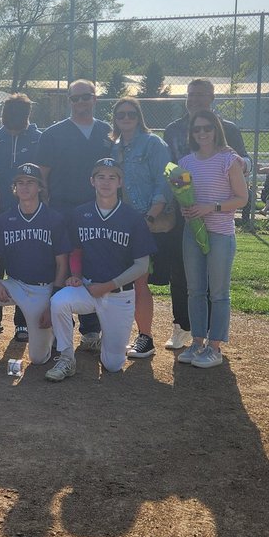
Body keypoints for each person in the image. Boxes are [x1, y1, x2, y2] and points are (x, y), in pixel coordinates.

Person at [46, 158, 156, 383]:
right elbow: (75, 250)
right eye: (100, 177)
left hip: (119, 294)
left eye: (112, 177)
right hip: (88, 287)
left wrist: (108, 285)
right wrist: (75, 275)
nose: (106, 182)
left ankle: (108, 340)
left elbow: (142, 266)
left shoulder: (133, 218)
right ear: (92, 181)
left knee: (113, 365)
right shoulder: (80, 213)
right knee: (59, 301)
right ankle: (66, 358)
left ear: (120, 182)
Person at [162, 79, 250, 353]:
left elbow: (243, 169)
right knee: (187, 280)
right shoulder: (177, 136)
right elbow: (174, 172)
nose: (195, 99)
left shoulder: (229, 135)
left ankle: (214, 340)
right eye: (191, 95)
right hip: (187, 218)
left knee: (217, 286)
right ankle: (188, 332)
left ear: (212, 98)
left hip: (219, 224)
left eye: (201, 95)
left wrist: (232, 161)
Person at [36, 79, 114, 352]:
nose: (80, 102)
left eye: (86, 97)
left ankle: (91, 329)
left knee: (93, 265)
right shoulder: (54, 133)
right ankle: (61, 327)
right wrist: (46, 205)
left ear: (95, 99)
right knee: (62, 266)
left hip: (98, 209)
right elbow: (42, 174)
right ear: (69, 101)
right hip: (63, 207)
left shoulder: (108, 131)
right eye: (75, 98)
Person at [0, 163, 71, 370]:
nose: (25, 187)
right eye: (20, 183)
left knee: (37, 358)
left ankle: (53, 333)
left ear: (40, 188)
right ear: (14, 188)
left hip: (44, 289)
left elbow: (63, 264)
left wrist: (53, 302)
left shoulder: (54, 219)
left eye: (30, 183)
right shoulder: (5, 219)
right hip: (15, 285)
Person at [176, 111, 249, 369]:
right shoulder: (185, 162)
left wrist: (211, 208)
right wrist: (187, 208)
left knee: (218, 292)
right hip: (193, 233)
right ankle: (197, 342)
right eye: (197, 129)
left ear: (216, 129)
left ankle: (215, 346)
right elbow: (184, 194)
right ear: (192, 134)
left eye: (207, 128)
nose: (202, 133)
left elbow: (242, 199)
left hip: (220, 233)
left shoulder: (229, 160)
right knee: (194, 290)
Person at [108, 96, 172, 360]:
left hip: (147, 221)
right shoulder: (115, 147)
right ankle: (118, 334)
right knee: (122, 280)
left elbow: (164, 182)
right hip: (120, 221)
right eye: (120, 115)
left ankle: (145, 336)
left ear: (139, 117)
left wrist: (150, 217)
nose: (125, 119)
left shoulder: (154, 143)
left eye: (130, 114)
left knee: (140, 280)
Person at [0, 93, 42, 340]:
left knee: (23, 265)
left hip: (27, 211)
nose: (15, 115)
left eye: (21, 111)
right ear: (3, 113)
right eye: (11, 110)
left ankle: (21, 321)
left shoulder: (38, 139)